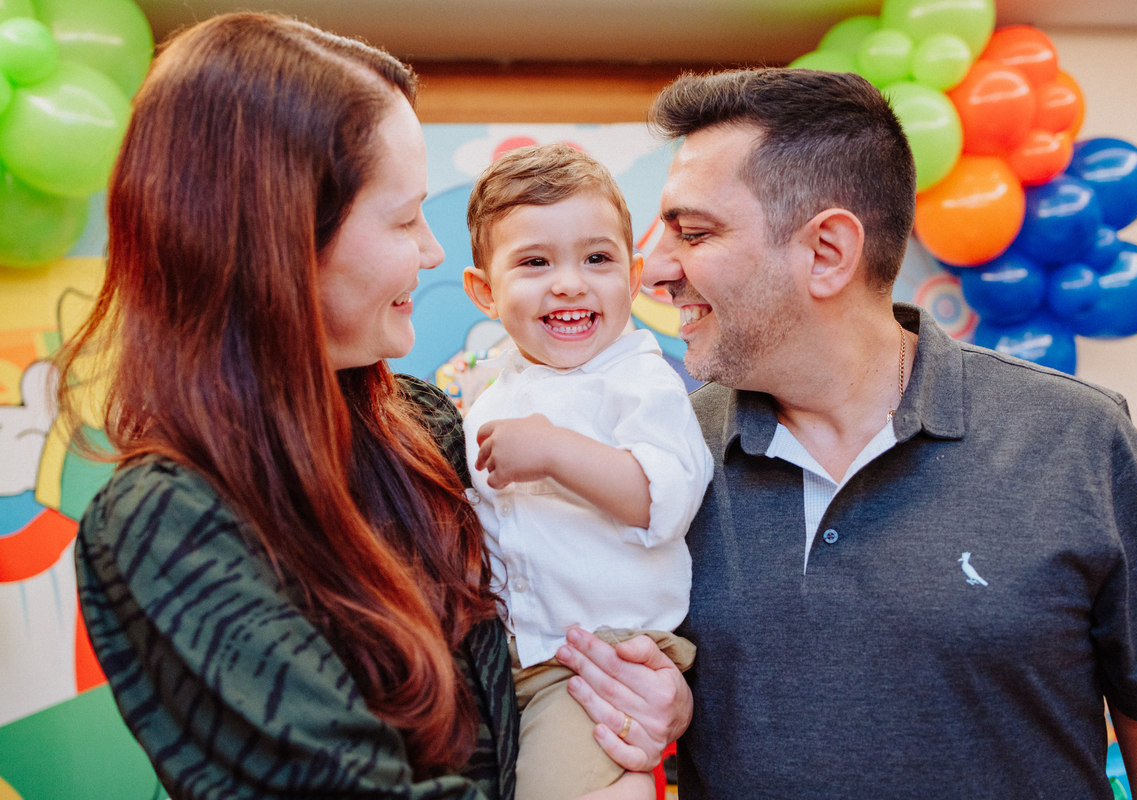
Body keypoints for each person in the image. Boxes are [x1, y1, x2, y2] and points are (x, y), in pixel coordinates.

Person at [57, 14, 688, 800]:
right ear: (281, 241)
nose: (431, 251)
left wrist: (649, 695)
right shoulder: (164, 522)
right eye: (403, 218)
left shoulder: (424, 425)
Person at [639, 67, 1137, 799]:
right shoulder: (660, 463)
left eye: (694, 232)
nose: (653, 270)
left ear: (828, 251)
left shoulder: (1080, 440)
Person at [460, 143, 713, 800]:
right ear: (485, 291)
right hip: (519, 659)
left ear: (630, 277)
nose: (569, 282)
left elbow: (663, 500)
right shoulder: (494, 397)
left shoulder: (639, 381)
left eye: (596, 259)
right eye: (535, 262)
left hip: (606, 655)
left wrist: (553, 452)